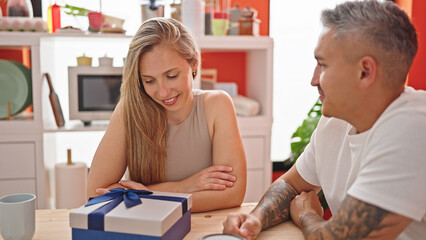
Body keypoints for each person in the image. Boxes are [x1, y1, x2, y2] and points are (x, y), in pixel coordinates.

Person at [223, 1, 426, 239]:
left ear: (365, 72)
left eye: (323, 64)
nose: (313, 79)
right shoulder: (337, 120)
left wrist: (308, 215)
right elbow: (291, 185)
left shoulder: (413, 131)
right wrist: (255, 219)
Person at [87, 18, 247, 212]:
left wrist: (147, 195)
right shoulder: (128, 111)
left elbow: (233, 193)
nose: (163, 92)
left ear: (194, 63)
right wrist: (183, 187)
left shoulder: (218, 105)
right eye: (149, 81)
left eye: (171, 76)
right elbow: (96, 194)